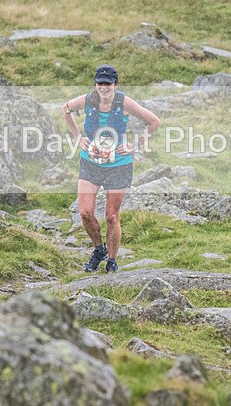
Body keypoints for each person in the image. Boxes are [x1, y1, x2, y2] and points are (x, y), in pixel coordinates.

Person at [62, 65, 161, 273]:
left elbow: (154, 121)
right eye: (100, 83)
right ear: (95, 84)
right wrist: (78, 138)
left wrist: (135, 145)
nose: (104, 87)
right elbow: (66, 109)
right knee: (85, 213)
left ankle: (112, 261)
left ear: (115, 84)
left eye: (108, 83)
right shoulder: (87, 101)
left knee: (111, 216)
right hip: (90, 163)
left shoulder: (124, 103)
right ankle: (99, 249)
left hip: (118, 165)